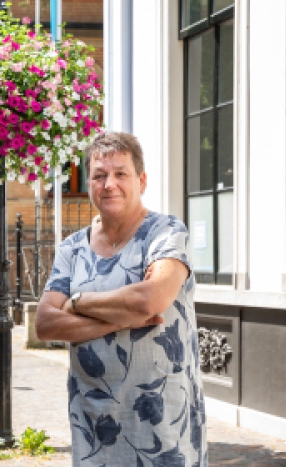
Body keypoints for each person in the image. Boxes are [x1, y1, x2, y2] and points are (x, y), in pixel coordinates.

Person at [36, 131, 207, 466]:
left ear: (141, 181)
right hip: (95, 425)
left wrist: (78, 302)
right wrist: (120, 317)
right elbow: (44, 322)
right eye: (99, 175)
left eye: (120, 174)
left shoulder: (166, 233)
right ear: (89, 184)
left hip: (163, 427)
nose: (108, 183)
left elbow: (151, 299)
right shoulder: (72, 248)